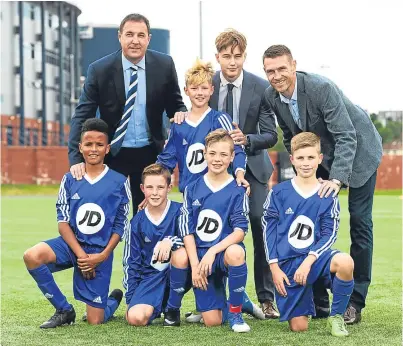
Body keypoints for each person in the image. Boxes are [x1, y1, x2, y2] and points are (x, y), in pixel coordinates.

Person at [262, 45, 382, 324]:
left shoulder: (321, 88)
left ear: (294, 65)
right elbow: (293, 135)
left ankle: (355, 302)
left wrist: (336, 179)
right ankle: (319, 302)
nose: (277, 75)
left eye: (282, 68)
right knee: (310, 217)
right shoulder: (272, 96)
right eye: (270, 71)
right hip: (322, 156)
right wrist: (309, 174)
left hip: (359, 151)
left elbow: (346, 135)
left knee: (360, 223)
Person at [157, 59, 263, 322]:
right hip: (193, 195)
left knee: (224, 246)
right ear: (187, 91)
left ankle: (237, 300)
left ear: (211, 90)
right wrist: (155, 187)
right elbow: (168, 159)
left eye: (205, 87)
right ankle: (208, 304)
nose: (200, 92)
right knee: (194, 247)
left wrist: (239, 172)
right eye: (195, 88)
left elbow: (236, 149)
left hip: (221, 192)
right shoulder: (178, 123)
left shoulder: (220, 119)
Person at [68, 13, 187, 213]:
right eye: (129, 34)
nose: (135, 40)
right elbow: (82, 114)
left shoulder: (164, 66)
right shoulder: (99, 70)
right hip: (113, 154)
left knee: (147, 215)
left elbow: (176, 106)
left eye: (141, 35)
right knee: (107, 214)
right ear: (120, 37)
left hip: (151, 153)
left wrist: (182, 113)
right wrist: (76, 158)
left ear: (149, 39)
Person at [23, 118, 130, 328]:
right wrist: (81, 255)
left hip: (98, 252)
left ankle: (112, 301)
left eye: (99, 145)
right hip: (72, 246)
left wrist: (102, 255)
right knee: (32, 256)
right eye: (88, 144)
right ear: (80, 147)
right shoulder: (70, 179)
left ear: (107, 148)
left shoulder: (119, 181)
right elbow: (62, 222)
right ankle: (64, 309)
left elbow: (121, 224)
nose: (93, 149)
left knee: (95, 321)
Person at [211, 28, 279, 319]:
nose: (232, 62)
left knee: (259, 223)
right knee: (216, 230)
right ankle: (216, 301)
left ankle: (267, 298)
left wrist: (245, 139)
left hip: (253, 169)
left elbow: (270, 135)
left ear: (244, 56)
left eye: (237, 56)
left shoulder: (260, 86)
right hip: (216, 170)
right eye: (226, 56)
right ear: (218, 57)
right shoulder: (207, 84)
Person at [262, 132, 354, 336]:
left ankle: (336, 316)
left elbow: (329, 234)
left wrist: (309, 260)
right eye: (301, 158)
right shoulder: (279, 193)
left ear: (319, 159)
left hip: (315, 258)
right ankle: (309, 298)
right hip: (288, 263)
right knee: (298, 327)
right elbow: (268, 230)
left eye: (311, 157)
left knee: (345, 262)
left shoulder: (327, 193)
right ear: (292, 159)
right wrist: (274, 268)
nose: (306, 163)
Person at [163, 129, 251, 333]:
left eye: (223, 155)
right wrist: (195, 265)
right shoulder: (192, 188)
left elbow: (239, 232)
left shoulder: (238, 190)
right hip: (200, 256)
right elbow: (187, 231)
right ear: (204, 154)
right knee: (212, 321)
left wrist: (213, 252)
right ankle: (176, 308)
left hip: (221, 255)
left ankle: (236, 312)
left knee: (236, 252)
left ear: (231, 158)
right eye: (212, 154)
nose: (217, 159)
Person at [123, 163, 183, 326]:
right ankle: (113, 301)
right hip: (151, 277)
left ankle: (172, 309)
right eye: (150, 187)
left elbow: (194, 242)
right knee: (135, 318)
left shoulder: (180, 211)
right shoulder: (137, 222)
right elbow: (131, 262)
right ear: (142, 188)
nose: (155, 193)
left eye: (160, 187)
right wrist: (131, 299)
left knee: (182, 254)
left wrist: (170, 241)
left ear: (169, 187)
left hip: (181, 273)